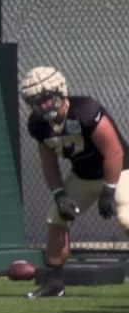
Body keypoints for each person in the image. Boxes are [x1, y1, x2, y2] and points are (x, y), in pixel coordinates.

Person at [19, 66, 129, 298]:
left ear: (60, 91)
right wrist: (59, 194)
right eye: (36, 101)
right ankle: (54, 282)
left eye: (47, 99)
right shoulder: (38, 124)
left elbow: (115, 152)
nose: (43, 106)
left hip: (120, 171)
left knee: (126, 217)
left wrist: (108, 191)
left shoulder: (85, 110)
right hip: (83, 175)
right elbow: (48, 162)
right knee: (56, 218)